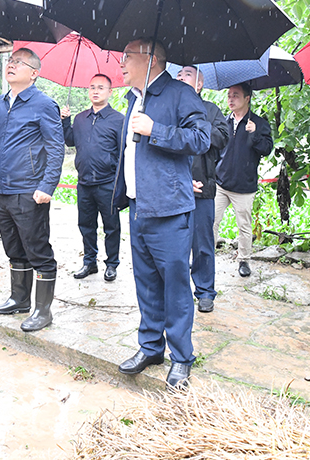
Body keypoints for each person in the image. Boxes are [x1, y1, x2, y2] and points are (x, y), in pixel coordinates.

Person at [113, 37, 210, 388]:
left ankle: (182, 356)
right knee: (146, 282)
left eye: (127, 57)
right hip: (139, 206)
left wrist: (157, 130)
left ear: (151, 59)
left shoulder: (181, 94)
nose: (121, 63)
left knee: (175, 286)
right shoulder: (133, 99)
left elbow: (201, 139)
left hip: (169, 208)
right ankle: (150, 346)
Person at [0, 48, 65, 332]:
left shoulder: (44, 104)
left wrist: (47, 185)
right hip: (4, 189)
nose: (10, 65)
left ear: (34, 73)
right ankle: (19, 298)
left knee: (37, 249)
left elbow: (56, 146)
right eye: (10, 61)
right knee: (13, 247)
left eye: (18, 63)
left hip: (30, 189)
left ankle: (43, 310)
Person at [175, 66, 229, 313]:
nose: (179, 77)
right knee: (173, 244)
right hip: (173, 188)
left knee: (203, 244)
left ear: (198, 84)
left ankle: (205, 291)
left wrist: (198, 125)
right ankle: (175, 291)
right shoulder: (170, 108)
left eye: (186, 74)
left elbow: (221, 139)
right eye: (178, 74)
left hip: (202, 188)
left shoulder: (211, 110)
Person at [61, 74, 125, 282]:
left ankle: (112, 264)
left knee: (111, 226)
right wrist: (65, 121)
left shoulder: (118, 120)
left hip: (108, 183)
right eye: (92, 87)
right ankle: (89, 262)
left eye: (100, 88)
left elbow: (123, 152)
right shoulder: (80, 118)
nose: (95, 91)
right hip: (84, 183)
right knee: (86, 224)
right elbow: (70, 141)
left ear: (110, 92)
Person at [213, 82, 273, 277]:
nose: (231, 99)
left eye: (236, 95)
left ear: (248, 98)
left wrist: (254, 134)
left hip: (244, 186)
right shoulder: (223, 121)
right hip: (220, 183)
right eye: (229, 95)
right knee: (211, 221)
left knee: (244, 226)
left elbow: (266, 149)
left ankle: (244, 260)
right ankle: (205, 257)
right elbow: (215, 149)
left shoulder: (259, 123)